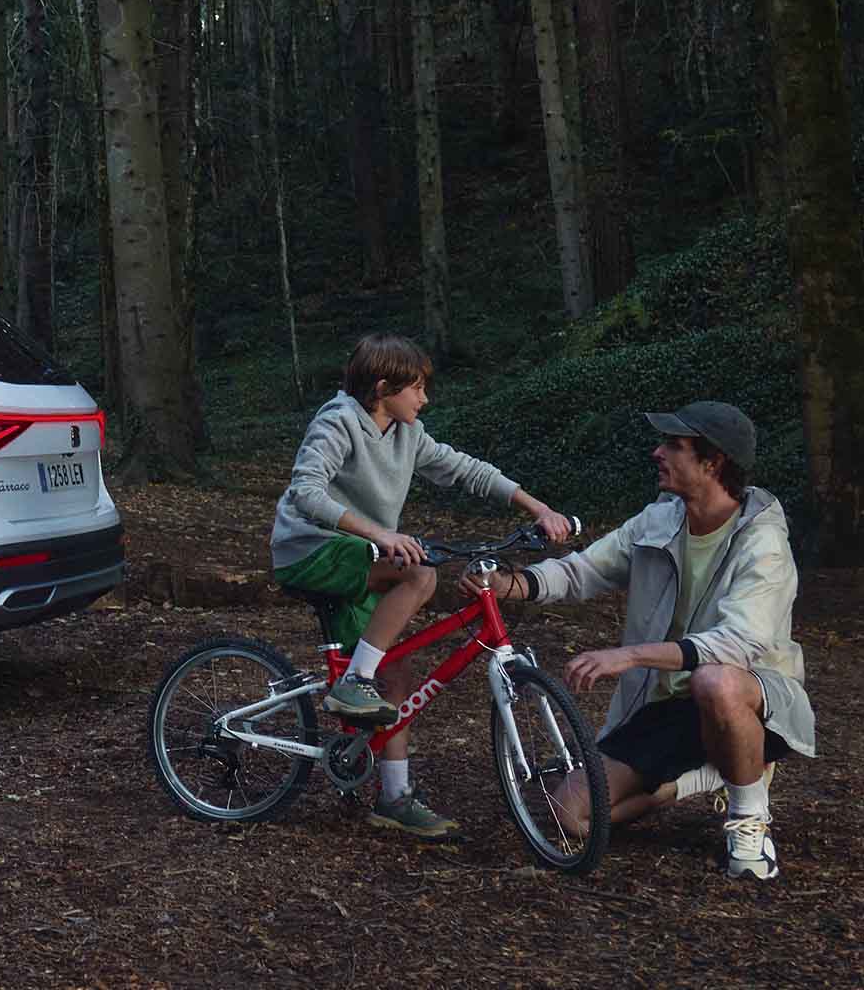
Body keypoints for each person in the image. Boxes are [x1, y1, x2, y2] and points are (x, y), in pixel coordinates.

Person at [469, 402, 812, 880]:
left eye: (674, 445)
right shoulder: (661, 519)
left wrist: (629, 655)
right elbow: (585, 569)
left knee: (716, 682)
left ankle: (748, 820)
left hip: (755, 699)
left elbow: (739, 643)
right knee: (564, 818)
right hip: (666, 706)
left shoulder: (764, 542)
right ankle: (696, 778)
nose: (657, 453)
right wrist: (515, 584)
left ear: (712, 462)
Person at [269, 333, 574, 840]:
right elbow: (305, 492)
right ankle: (352, 684)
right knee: (420, 572)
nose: (424, 398)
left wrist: (537, 507)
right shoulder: (338, 421)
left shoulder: (408, 433)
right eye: (416, 388)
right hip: (311, 550)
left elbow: (465, 470)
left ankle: (393, 798)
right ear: (383, 387)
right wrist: (380, 534)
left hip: (360, 555)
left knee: (398, 672)